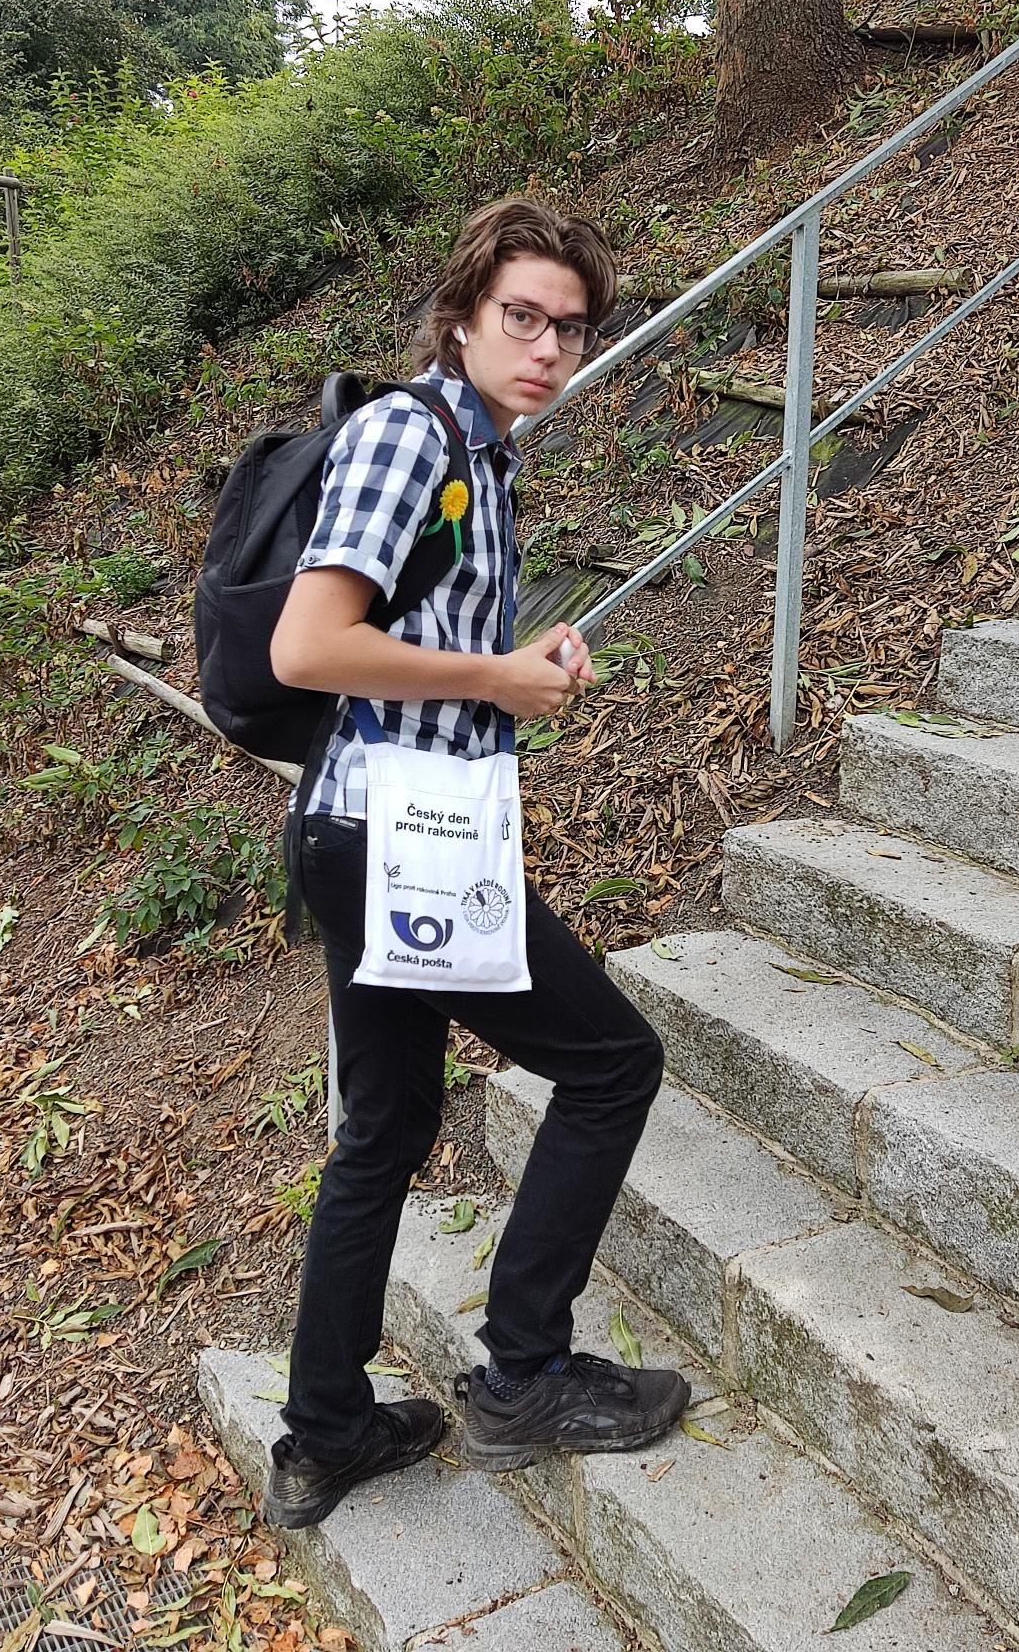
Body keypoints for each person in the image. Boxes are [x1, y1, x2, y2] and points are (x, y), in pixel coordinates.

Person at [261, 196, 690, 1529]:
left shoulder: (479, 456)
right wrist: (494, 679)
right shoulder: (412, 434)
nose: (549, 347)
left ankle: (326, 1433)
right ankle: (525, 1375)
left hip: (381, 829)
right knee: (614, 1063)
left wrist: (512, 666)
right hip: (397, 838)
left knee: (384, 1131)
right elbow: (308, 648)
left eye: (572, 327)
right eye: (523, 317)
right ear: (461, 317)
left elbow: (417, 646)